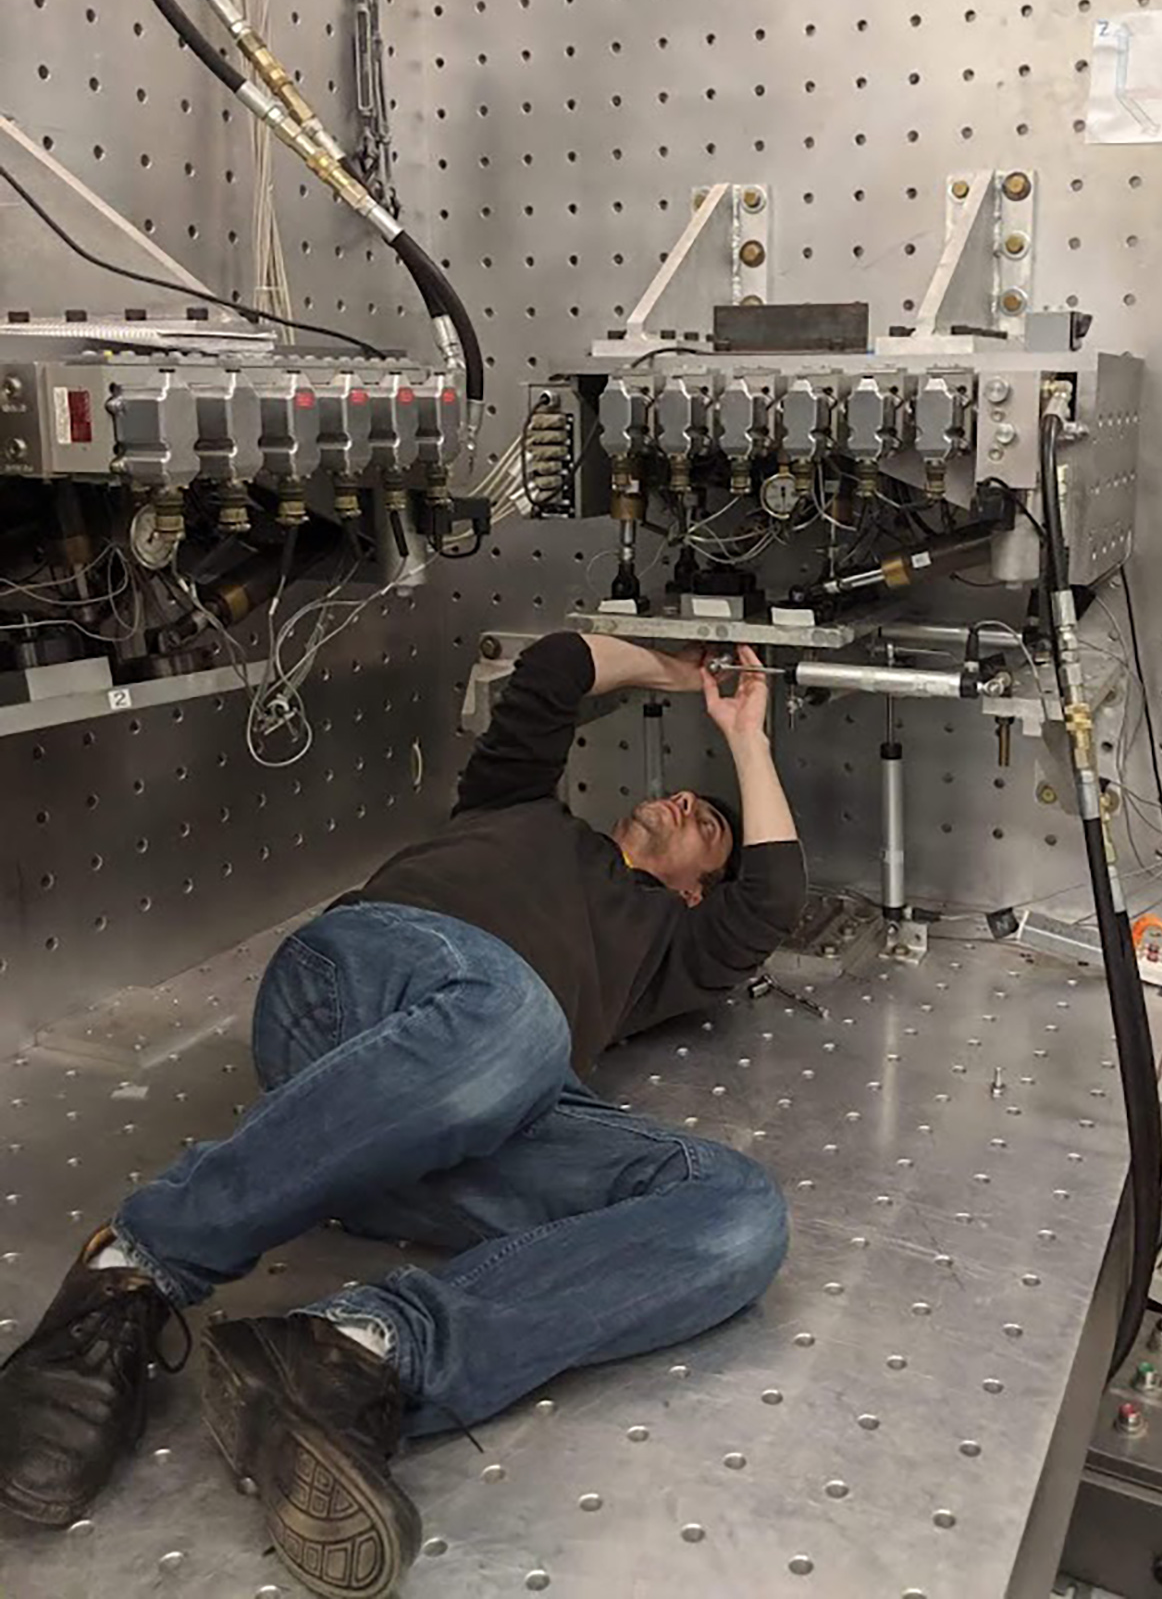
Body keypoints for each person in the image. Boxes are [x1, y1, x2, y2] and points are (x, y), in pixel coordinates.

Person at [0, 633, 804, 1599]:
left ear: (691, 891)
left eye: (706, 826)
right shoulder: (515, 810)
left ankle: (352, 1356)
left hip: (457, 1115)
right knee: (512, 1021)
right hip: (363, 988)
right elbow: (555, 667)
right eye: (685, 793)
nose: (685, 803)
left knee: (740, 1212)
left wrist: (746, 736)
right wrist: (685, 676)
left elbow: (771, 901)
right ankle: (129, 1277)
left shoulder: (669, 950)